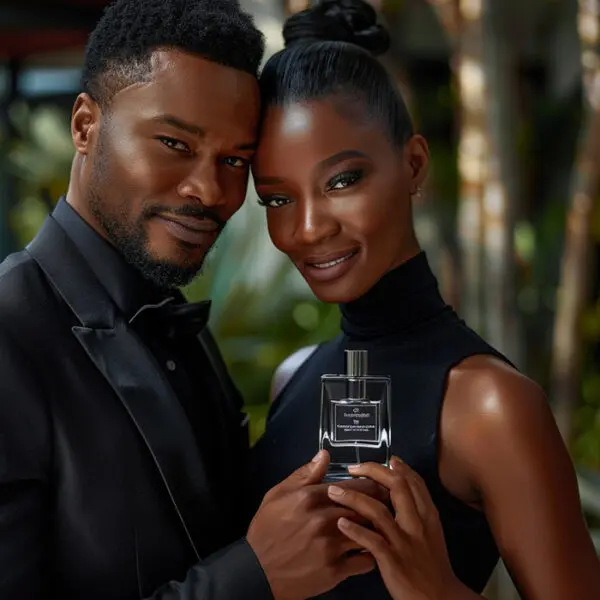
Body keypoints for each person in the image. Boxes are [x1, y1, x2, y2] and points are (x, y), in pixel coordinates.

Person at [0, 1, 383, 598]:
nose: (210, 190)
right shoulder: (10, 333)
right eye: (175, 143)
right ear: (84, 126)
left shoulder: (186, 333)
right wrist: (254, 576)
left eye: (234, 161)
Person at [250, 1, 600, 599]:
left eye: (342, 181)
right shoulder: (292, 378)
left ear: (412, 163)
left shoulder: (491, 405)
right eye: (278, 199)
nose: (308, 229)